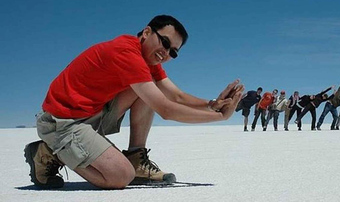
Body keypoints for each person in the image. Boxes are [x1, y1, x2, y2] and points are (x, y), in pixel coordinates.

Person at [24, 15, 244, 190]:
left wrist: (213, 103)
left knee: (150, 89)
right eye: (164, 43)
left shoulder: (146, 58)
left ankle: (136, 157)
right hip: (63, 122)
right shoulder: (126, 52)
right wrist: (220, 117)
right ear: (147, 32)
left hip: (92, 116)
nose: (165, 53)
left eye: (172, 52)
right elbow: (166, 109)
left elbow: (175, 96)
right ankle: (48, 152)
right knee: (120, 176)